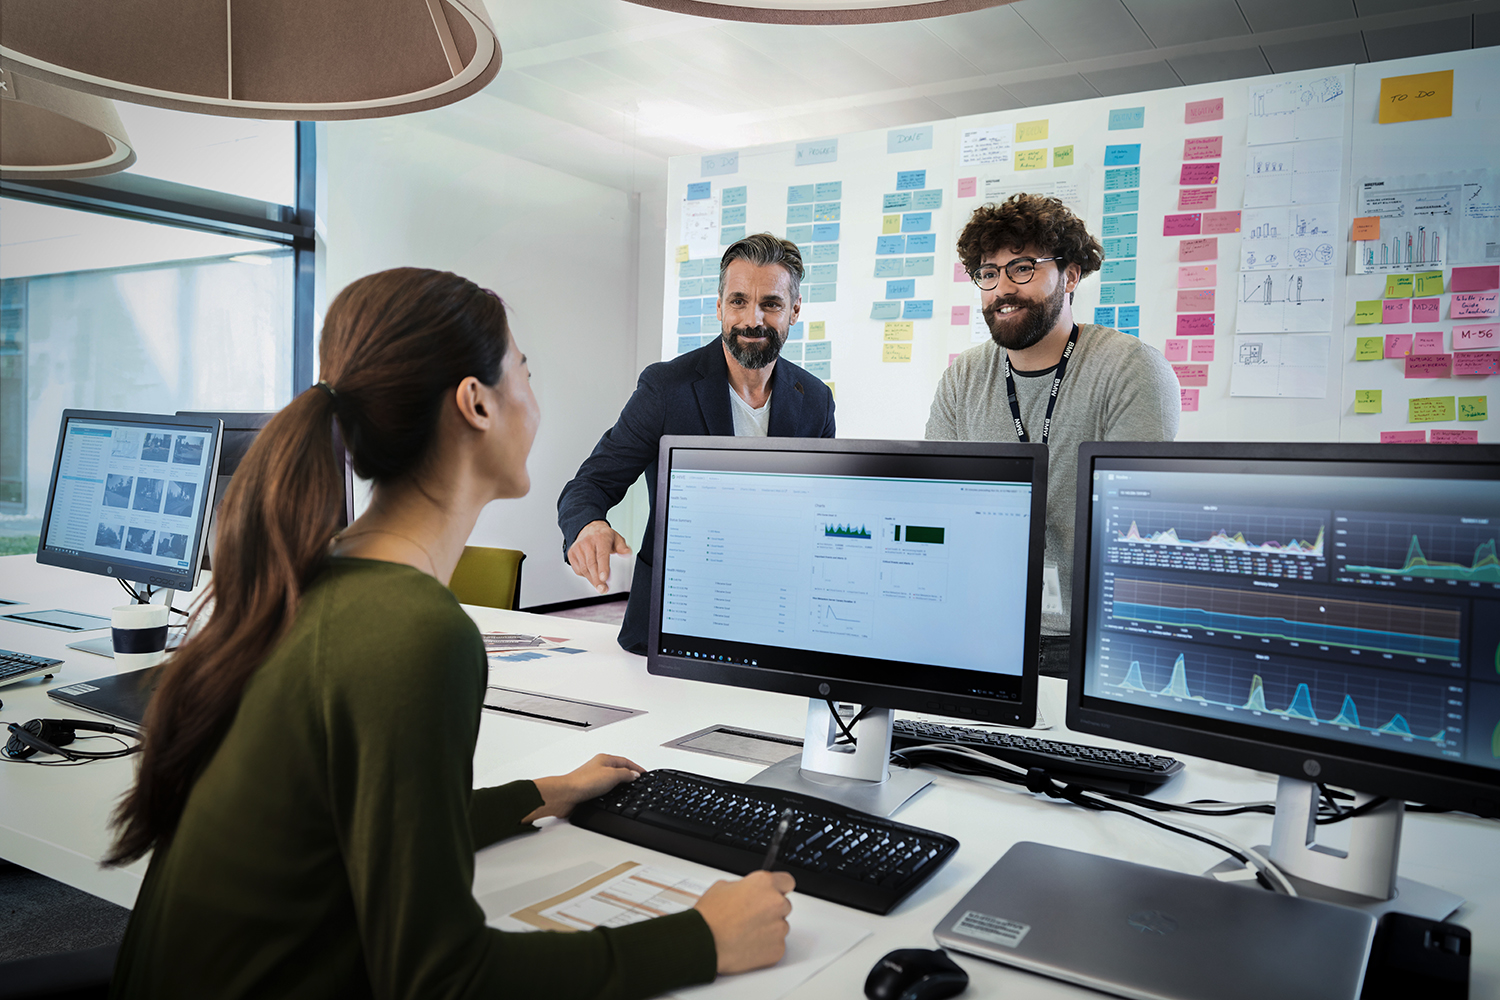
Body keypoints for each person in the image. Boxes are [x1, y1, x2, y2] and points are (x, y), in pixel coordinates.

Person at [106, 268, 796, 999]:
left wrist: (543, 791)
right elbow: (440, 981)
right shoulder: (416, 632)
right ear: (475, 403)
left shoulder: (317, 578)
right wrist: (702, 938)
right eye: (524, 372)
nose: (534, 397)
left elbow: (378, 822)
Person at [926, 194, 1179, 678]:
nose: (1002, 289)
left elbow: (1139, 530)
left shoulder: (1131, 370)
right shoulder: (963, 379)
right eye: (988, 273)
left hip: (1093, 641)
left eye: (1022, 268)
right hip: (983, 631)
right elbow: (942, 506)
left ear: (1070, 275)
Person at [558, 234, 836, 654]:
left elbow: (823, 511)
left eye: (771, 304)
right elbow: (590, 484)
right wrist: (588, 525)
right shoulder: (666, 388)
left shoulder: (815, 399)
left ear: (795, 310)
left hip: (778, 619)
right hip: (672, 619)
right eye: (739, 301)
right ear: (720, 306)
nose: (752, 319)